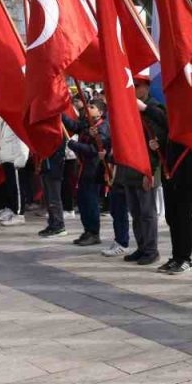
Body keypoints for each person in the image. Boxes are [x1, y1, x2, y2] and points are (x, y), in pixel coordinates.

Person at [119, 77, 167, 267]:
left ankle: (151, 250)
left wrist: (152, 169)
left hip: (148, 165)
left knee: (147, 212)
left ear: (146, 87)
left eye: (136, 86)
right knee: (135, 211)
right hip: (130, 165)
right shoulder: (128, 108)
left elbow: (161, 134)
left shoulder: (154, 108)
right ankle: (141, 246)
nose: (133, 89)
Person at [67, 100, 110, 247]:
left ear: (100, 112)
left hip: (94, 170)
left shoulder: (103, 127)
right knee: (82, 201)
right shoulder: (87, 124)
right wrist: (59, 114)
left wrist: (75, 145)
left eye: (92, 107)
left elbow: (94, 150)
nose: (88, 108)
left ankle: (94, 232)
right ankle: (87, 230)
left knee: (91, 202)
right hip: (83, 169)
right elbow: (74, 126)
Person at [0, 116, 30, 227]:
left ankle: (19, 215)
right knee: (11, 187)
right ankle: (13, 210)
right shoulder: (4, 120)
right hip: (7, 158)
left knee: (18, 189)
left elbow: (23, 141)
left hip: (15, 160)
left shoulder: (16, 120)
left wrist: (21, 159)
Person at [36, 138, 69, 238]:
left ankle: (59, 225)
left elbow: (58, 150)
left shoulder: (58, 132)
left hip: (54, 168)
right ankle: (52, 223)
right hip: (46, 167)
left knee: (54, 198)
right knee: (48, 198)